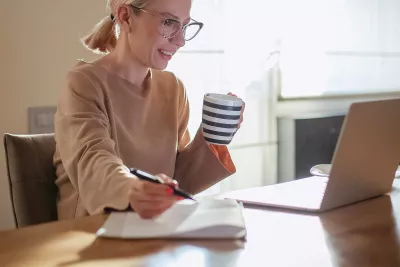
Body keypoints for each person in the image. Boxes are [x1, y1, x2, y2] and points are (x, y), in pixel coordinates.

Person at [53, 0, 245, 220]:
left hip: (152, 230)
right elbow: (93, 162)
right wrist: (131, 189)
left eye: (184, 26)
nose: (180, 40)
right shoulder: (83, 83)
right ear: (126, 17)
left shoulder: (172, 88)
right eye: (169, 22)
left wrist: (213, 138)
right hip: (92, 234)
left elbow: (177, 180)